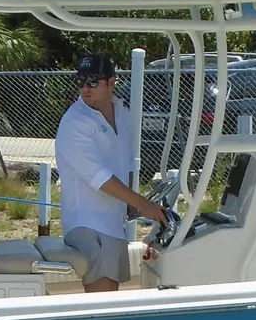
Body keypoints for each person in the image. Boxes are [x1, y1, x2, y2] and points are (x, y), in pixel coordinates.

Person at [54, 52, 171, 292]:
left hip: (113, 224)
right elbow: (99, 177)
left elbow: (125, 163)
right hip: (88, 225)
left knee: (110, 303)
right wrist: (143, 204)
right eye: (82, 82)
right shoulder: (74, 121)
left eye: (93, 82)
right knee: (103, 308)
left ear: (111, 82)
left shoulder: (123, 114)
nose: (86, 88)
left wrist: (132, 205)